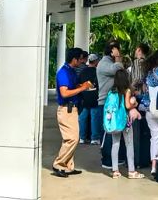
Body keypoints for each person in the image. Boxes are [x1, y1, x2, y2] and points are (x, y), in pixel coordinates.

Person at [53, 48, 92, 177]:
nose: (82, 61)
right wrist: (83, 88)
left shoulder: (71, 71)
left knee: (71, 138)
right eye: (80, 59)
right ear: (74, 59)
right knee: (73, 139)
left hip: (72, 108)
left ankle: (68, 166)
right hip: (66, 109)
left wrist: (82, 85)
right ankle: (59, 164)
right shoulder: (63, 72)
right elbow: (64, 93)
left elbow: (73, 87)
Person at [108, 69, 145, 179]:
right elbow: (127, 105)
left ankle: (115, 171)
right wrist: (135, 104)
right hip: (125, 120)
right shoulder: (127, 90)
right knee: (129, 144)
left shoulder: (112, 90)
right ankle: (132, 171)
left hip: (115, 121)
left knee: (115, 144)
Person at [97, 42, 124, 168]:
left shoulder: (108, 63)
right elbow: (118, 69)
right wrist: (118, 57)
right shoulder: (104, 64)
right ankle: (107, 159)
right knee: (108, 131)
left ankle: (114, 157)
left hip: (111, 103)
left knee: (113, 129)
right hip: (105, 104)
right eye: (117, 50)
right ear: (112, 51)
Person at [78, 54, 102, 145]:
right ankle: (94, 138)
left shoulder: (83, 71)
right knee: (94, 118)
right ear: (96, 62)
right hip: (95, 97)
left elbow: (79, 83)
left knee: (82, 117)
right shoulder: (98, 72)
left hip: (84, 97)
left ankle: (82, 137)